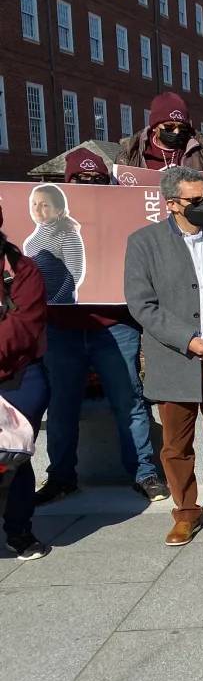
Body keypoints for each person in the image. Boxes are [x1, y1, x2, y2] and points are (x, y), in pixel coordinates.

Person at [124, 167, 203, 546]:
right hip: (174, 358)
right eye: (195, 201)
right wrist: (190, 340)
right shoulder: (143, 243)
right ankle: (185, 511)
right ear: (172, 204)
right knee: (176, 444)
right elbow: (142, 304)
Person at [34, 150, 166, 506]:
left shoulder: (120, 217)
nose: (90, 185)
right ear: (67, 184)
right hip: (62, 325)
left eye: (97, 179)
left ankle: (143, 472)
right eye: (81, 180)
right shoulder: (45, 230)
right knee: (61, 405)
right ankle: (61, 476)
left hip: (114, 323)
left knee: (130, 400)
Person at [0, 203, 50, 560]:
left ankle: (19, 531)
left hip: (18, 378)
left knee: (12, 457)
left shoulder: (21, 271)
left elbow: (21, 331)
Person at [117, 91, 203, 171]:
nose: (176, 132)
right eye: (169, 127)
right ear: (154, 127)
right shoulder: (130, 154)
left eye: (182, 128)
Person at [23, 184, 85, 304]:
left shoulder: (68, 235)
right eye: (34, 203)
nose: (36, 209)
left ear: (59, 210)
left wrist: (54, 303)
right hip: (37, 304)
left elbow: (75, 274)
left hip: (59, 307)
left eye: (44, 205)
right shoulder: (33, 237)